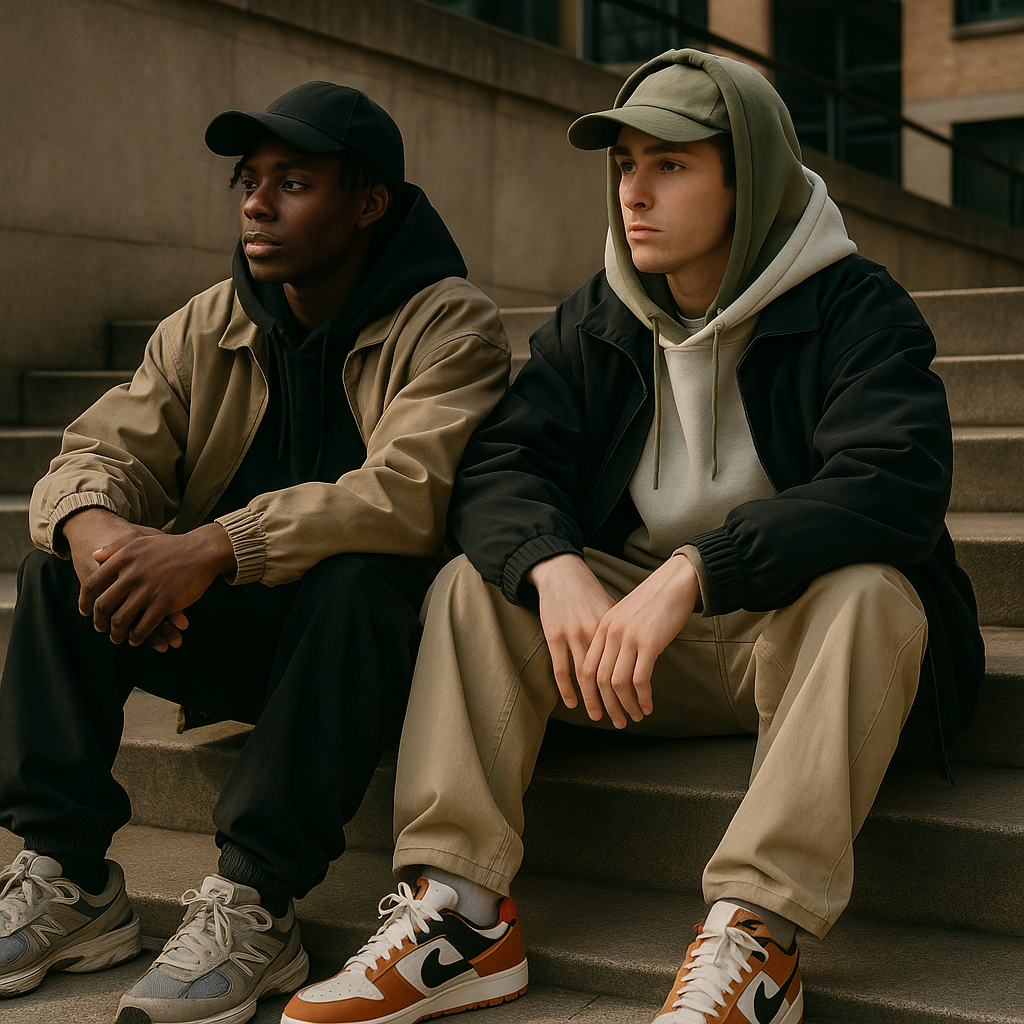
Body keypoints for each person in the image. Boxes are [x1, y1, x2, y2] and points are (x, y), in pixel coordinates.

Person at [279, 50, 985, 1024]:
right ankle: (461, 916)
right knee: (475, 585)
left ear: (749, 178)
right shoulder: (600, 318)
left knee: (872, 588)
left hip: (797, 640)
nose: (634, 192)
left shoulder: (855, 307)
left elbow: (891, 484)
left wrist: (699, 568)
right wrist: (554, 564)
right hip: (632, 654)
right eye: (623, 167)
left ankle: (756, 936)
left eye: (670, 164)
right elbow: (501, 466)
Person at [0, 81, 509, 1024]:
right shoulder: (208, 323)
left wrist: (213, 547)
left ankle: (256, 906)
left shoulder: (453, 326)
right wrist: (103, 539)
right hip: (244, 643)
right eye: (249, 179)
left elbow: (406, 496)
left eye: (294, 181)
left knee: (359, 580)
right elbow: (99, 452)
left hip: (375, 662)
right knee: (56, 568)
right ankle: (69, 880)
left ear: (369, 204)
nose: (256, 203)